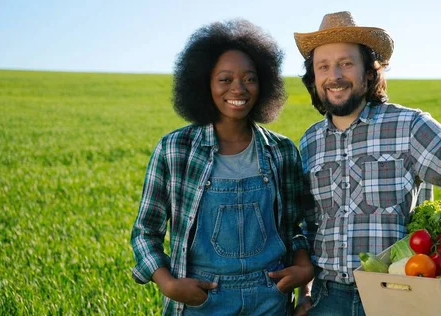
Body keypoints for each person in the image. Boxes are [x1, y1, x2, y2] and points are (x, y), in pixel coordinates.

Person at [293, 11, 441, 315]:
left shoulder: (408, 126)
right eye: (323, 66)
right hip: (326, 299)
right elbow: (308, 226)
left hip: (399, 297)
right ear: (314, 77)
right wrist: (305, 294)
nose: (334, 75)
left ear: (369, 72)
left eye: (346, 63)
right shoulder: (309, 142)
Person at [130, 19, 314, 316]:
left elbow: (296, 227)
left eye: (250, 78)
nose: (238, 88)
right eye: (225, 79)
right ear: (205, 83)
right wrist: (169, 285)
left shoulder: (281, 151)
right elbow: (145, 232)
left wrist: (304, 269)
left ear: (264, 83)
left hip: (269, 298)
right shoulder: (175, 149)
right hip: (201, 300)